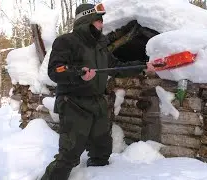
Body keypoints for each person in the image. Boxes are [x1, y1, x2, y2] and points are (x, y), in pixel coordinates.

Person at [41, 3, 155, 180]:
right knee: (70, 154)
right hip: (73, 104)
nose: (102, 24)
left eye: (101, 20)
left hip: (97, 102)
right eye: (98, 20)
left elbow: (115, 67)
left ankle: (96, 176)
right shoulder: (66, 42)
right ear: (86, 21)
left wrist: (142, 67)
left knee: (102, 150)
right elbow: (55, 71)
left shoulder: (100, 45)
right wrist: (79, 74)